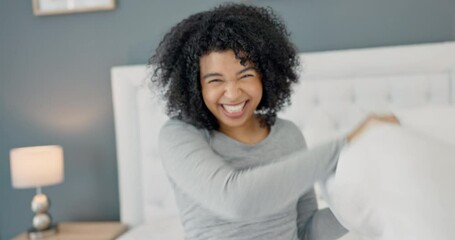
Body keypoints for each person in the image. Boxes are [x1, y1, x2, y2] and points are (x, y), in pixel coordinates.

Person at [150, 3, 398, 240]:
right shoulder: (179, 135)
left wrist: (365, 204)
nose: (233, 93)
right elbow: (237, 200)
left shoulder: (288, 135)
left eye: (245, 75)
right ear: (195, 86)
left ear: (265, 76)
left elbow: (306, 231)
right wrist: (346, 143)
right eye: (216, 80)